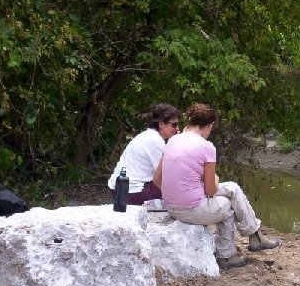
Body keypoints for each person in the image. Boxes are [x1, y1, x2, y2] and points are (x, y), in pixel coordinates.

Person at [153, 103, 281, 270]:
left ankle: (252, 236)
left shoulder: (173, 140)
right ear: (210, 125)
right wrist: (214, 178)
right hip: (190, 209)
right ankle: (228, 255)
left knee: (233, 188)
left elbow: (156, 179)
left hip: (171, 206)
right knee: (228, 207)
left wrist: (179, 190)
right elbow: (210, 190)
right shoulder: (206, 147)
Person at [107, 103, 181, 205]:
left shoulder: (148, 135)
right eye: (174, 125)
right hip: (131, 192)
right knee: (180, 192)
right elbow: (167, 175)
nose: (177, 129)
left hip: (120, 189)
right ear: (161, 124)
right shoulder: (155, 141)